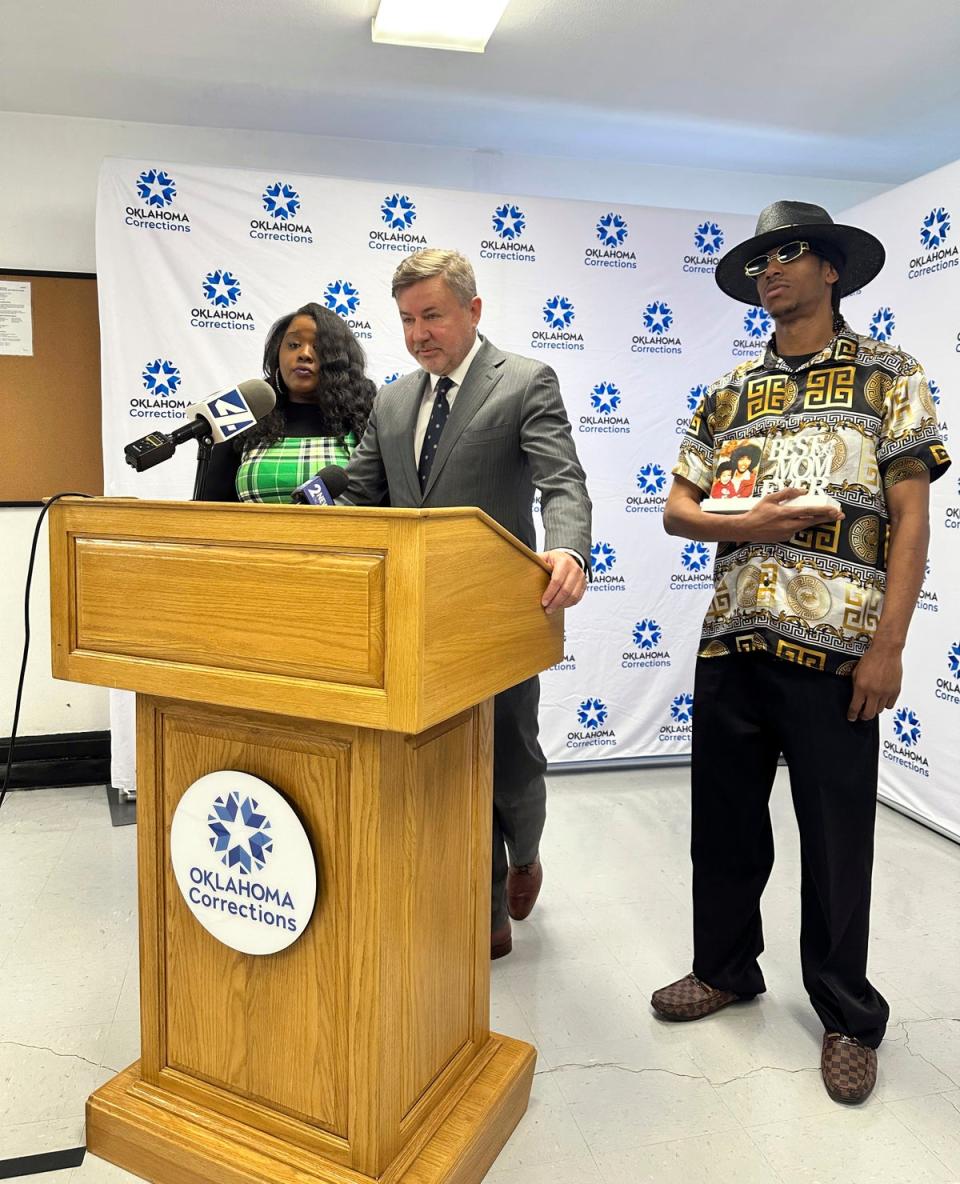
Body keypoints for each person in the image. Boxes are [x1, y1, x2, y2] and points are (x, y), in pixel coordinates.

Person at [652, 201, 951, 1104]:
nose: (768, 273)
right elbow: (678, 510)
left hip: (839, 653)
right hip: (733, 640)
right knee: (724, 827)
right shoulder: (728, 393)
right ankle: (726, 968)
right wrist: (757, 519)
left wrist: (888, 647)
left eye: (786, 256)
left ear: (830, 268)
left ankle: (848, 1016)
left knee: (835, 841)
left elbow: (910, 518)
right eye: (757, 264)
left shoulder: (891, 375)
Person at [340, 248, 592, 959]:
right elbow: (364, 496)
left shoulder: (524, 381)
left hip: (500, 616)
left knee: (512, 761)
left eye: (433, 315)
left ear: (472, 311)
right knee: (453, 768)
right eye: (407, 320)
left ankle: (526, 853)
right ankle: (484, 910)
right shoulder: (391, 400)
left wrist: (569, 547)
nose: (419, 333)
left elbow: (562, 481)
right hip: (416, 620)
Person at [196, 302, 375, 502]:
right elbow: (210, 508)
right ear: (277, 353)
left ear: (340, 360)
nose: (304, 354)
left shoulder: (366, 419)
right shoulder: (244, 411)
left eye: (318, 347)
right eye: (293, 345)